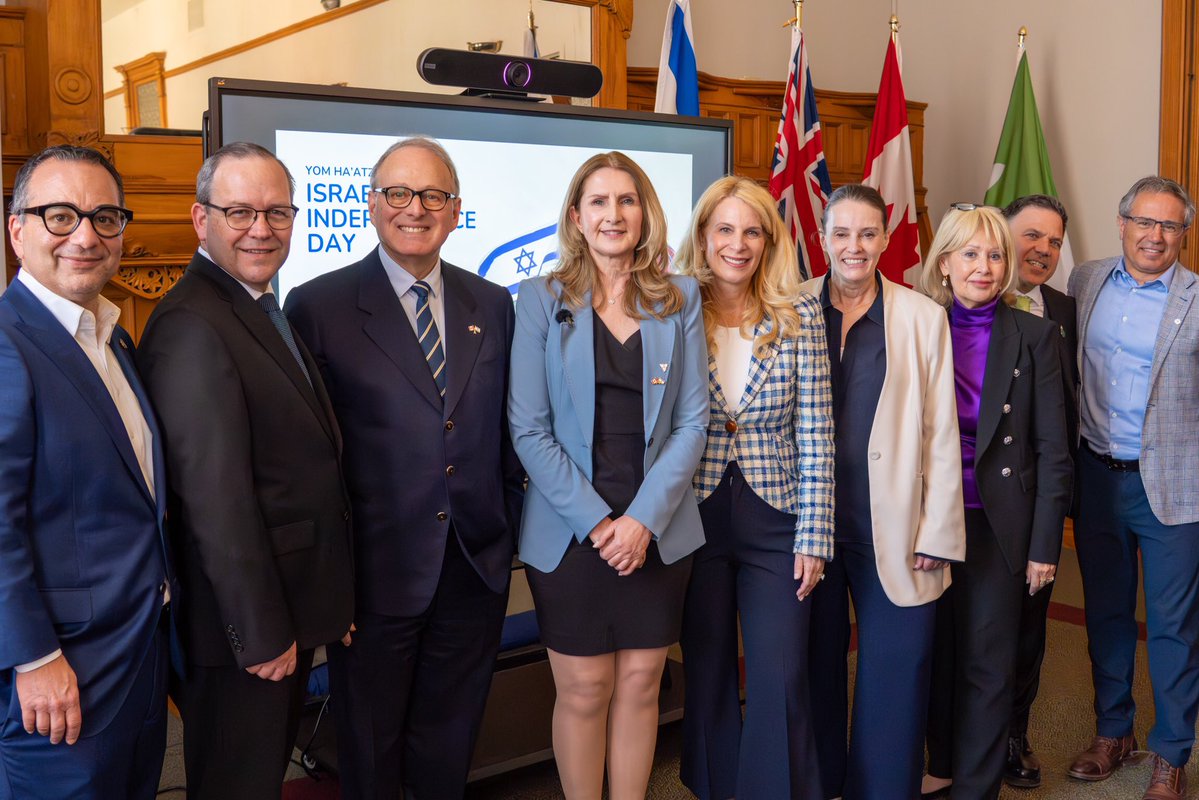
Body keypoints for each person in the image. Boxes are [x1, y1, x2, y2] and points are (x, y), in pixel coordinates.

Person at [286, 136, 523, 800]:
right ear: (370, 203)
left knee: (450, 739)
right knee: (370, 744)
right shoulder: (317, 307)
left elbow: (507, 433)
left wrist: (504, 531)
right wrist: (331, 581)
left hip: (473, 567)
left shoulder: (491, 305)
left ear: (455, 211)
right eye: (398, 192)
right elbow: (310, 460)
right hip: (373, 578)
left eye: (433, 195)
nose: (414, 208)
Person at [136, 142, 354, 800]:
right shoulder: (191, 324)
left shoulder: (252, 303)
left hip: (286, 610)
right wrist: (259, 634)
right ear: (201, 220)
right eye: (239, 212)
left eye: (276, 211)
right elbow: (214, 501)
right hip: (245, 635)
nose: (261, 228)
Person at [508, 151, 707, 800]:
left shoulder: (680, 298)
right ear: (575, 216)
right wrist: (600, 525)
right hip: (569, 531)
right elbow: (527, 428)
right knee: (585, 687)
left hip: (658, 525)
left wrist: (641, 522)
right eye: (598, 201)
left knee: (642, 682)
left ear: (645, 213)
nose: (613, 214)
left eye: (626, 200)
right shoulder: (539, 300)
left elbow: (692, 422)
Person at [0, 145, 175, 799]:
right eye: (60, 215)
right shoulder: (7, 344)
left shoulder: (112, 336)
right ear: (17, 229)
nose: (86, 235)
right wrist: (34, 658)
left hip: (136, 654)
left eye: (104, 217)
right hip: (59, 673)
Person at [802, 183, 966, 800]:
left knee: (894, 677)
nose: (854, 246)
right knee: (812, 672)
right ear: (822, 238)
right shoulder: (790, 308)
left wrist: (939, 531)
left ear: (885, 240)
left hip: (897, 531)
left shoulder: (922, 318)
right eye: (841, 233)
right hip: (809, 530)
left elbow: (941, 434)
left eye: (867, 234)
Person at [673, 176, 834, 799]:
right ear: (704, 236)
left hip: (779, 521)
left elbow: (818, 432)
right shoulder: (673, 308)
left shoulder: (800, 317)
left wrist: (815, 535)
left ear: (769, 241)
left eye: (752, 231)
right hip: (695, 513)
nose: (737, 244)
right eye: (725, 230)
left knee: (780, 669)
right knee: (707, 667)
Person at [920, 204, 1072, 800]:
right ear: (945, 262)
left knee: (987, 664)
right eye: (970, 254)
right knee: (934, 655)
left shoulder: (1034, 334)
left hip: (1000, 523)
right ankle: (940, 764)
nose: (984, 267)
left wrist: (1044, 547)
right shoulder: (919, 324)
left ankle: (976, 787)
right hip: (930, 519)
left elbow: (1053, 451)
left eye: (995, 254)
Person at [1066, 176, 1198, 800]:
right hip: (1097, 477)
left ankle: (1171, 753)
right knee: (1107, 614)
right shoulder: (1084, 282)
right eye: (1145, 222)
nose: (1155, 235)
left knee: (1173, 625)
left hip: (1173, 490)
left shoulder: (1197, 299)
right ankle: (1112, 732)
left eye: (1170, 226)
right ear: (1121, 223)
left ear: (1183, 235)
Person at [1001, 193, 1079, 788]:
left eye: (1053, 242)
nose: (1043, 250)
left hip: (1035, 498)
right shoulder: (955, 302)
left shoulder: (1065, 310)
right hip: (971, 501)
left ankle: (1014, 736)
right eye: (1031, 236)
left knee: (1029, 627)